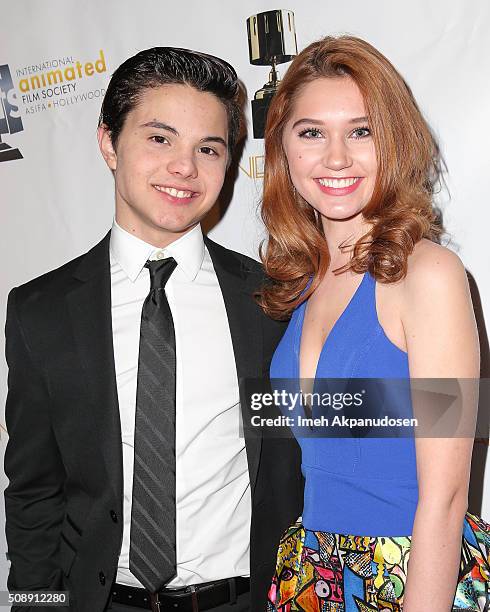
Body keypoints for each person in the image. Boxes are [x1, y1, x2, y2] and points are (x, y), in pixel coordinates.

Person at [4, 47, 303, 612]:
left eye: (208, 148)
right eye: (159, 139)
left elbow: (341, 439)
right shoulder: (39, 311)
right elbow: (33, 497)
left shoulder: (274, 301)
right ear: (109, 143)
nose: (185, 168)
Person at [258, 36, 490, 610]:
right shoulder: (303, 279)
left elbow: (447, 492)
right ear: (284, 147)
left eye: (361, 131)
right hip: (311, 571)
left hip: (412, 572)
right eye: (311, 132)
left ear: (393, 141)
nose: (336, 157)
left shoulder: (430, 274)